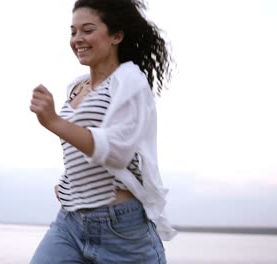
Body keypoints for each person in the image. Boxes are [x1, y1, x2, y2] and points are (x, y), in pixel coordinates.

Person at [29, 0, 177, 263]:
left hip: (121, 230)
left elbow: (117, 151)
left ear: (116, 36)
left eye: (87, 30)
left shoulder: (130, 80)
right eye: (73, 32)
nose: (77, 39)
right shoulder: (76, 87)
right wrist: (70, 182)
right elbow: (80, 144)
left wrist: (53, 121)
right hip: (70, 222)